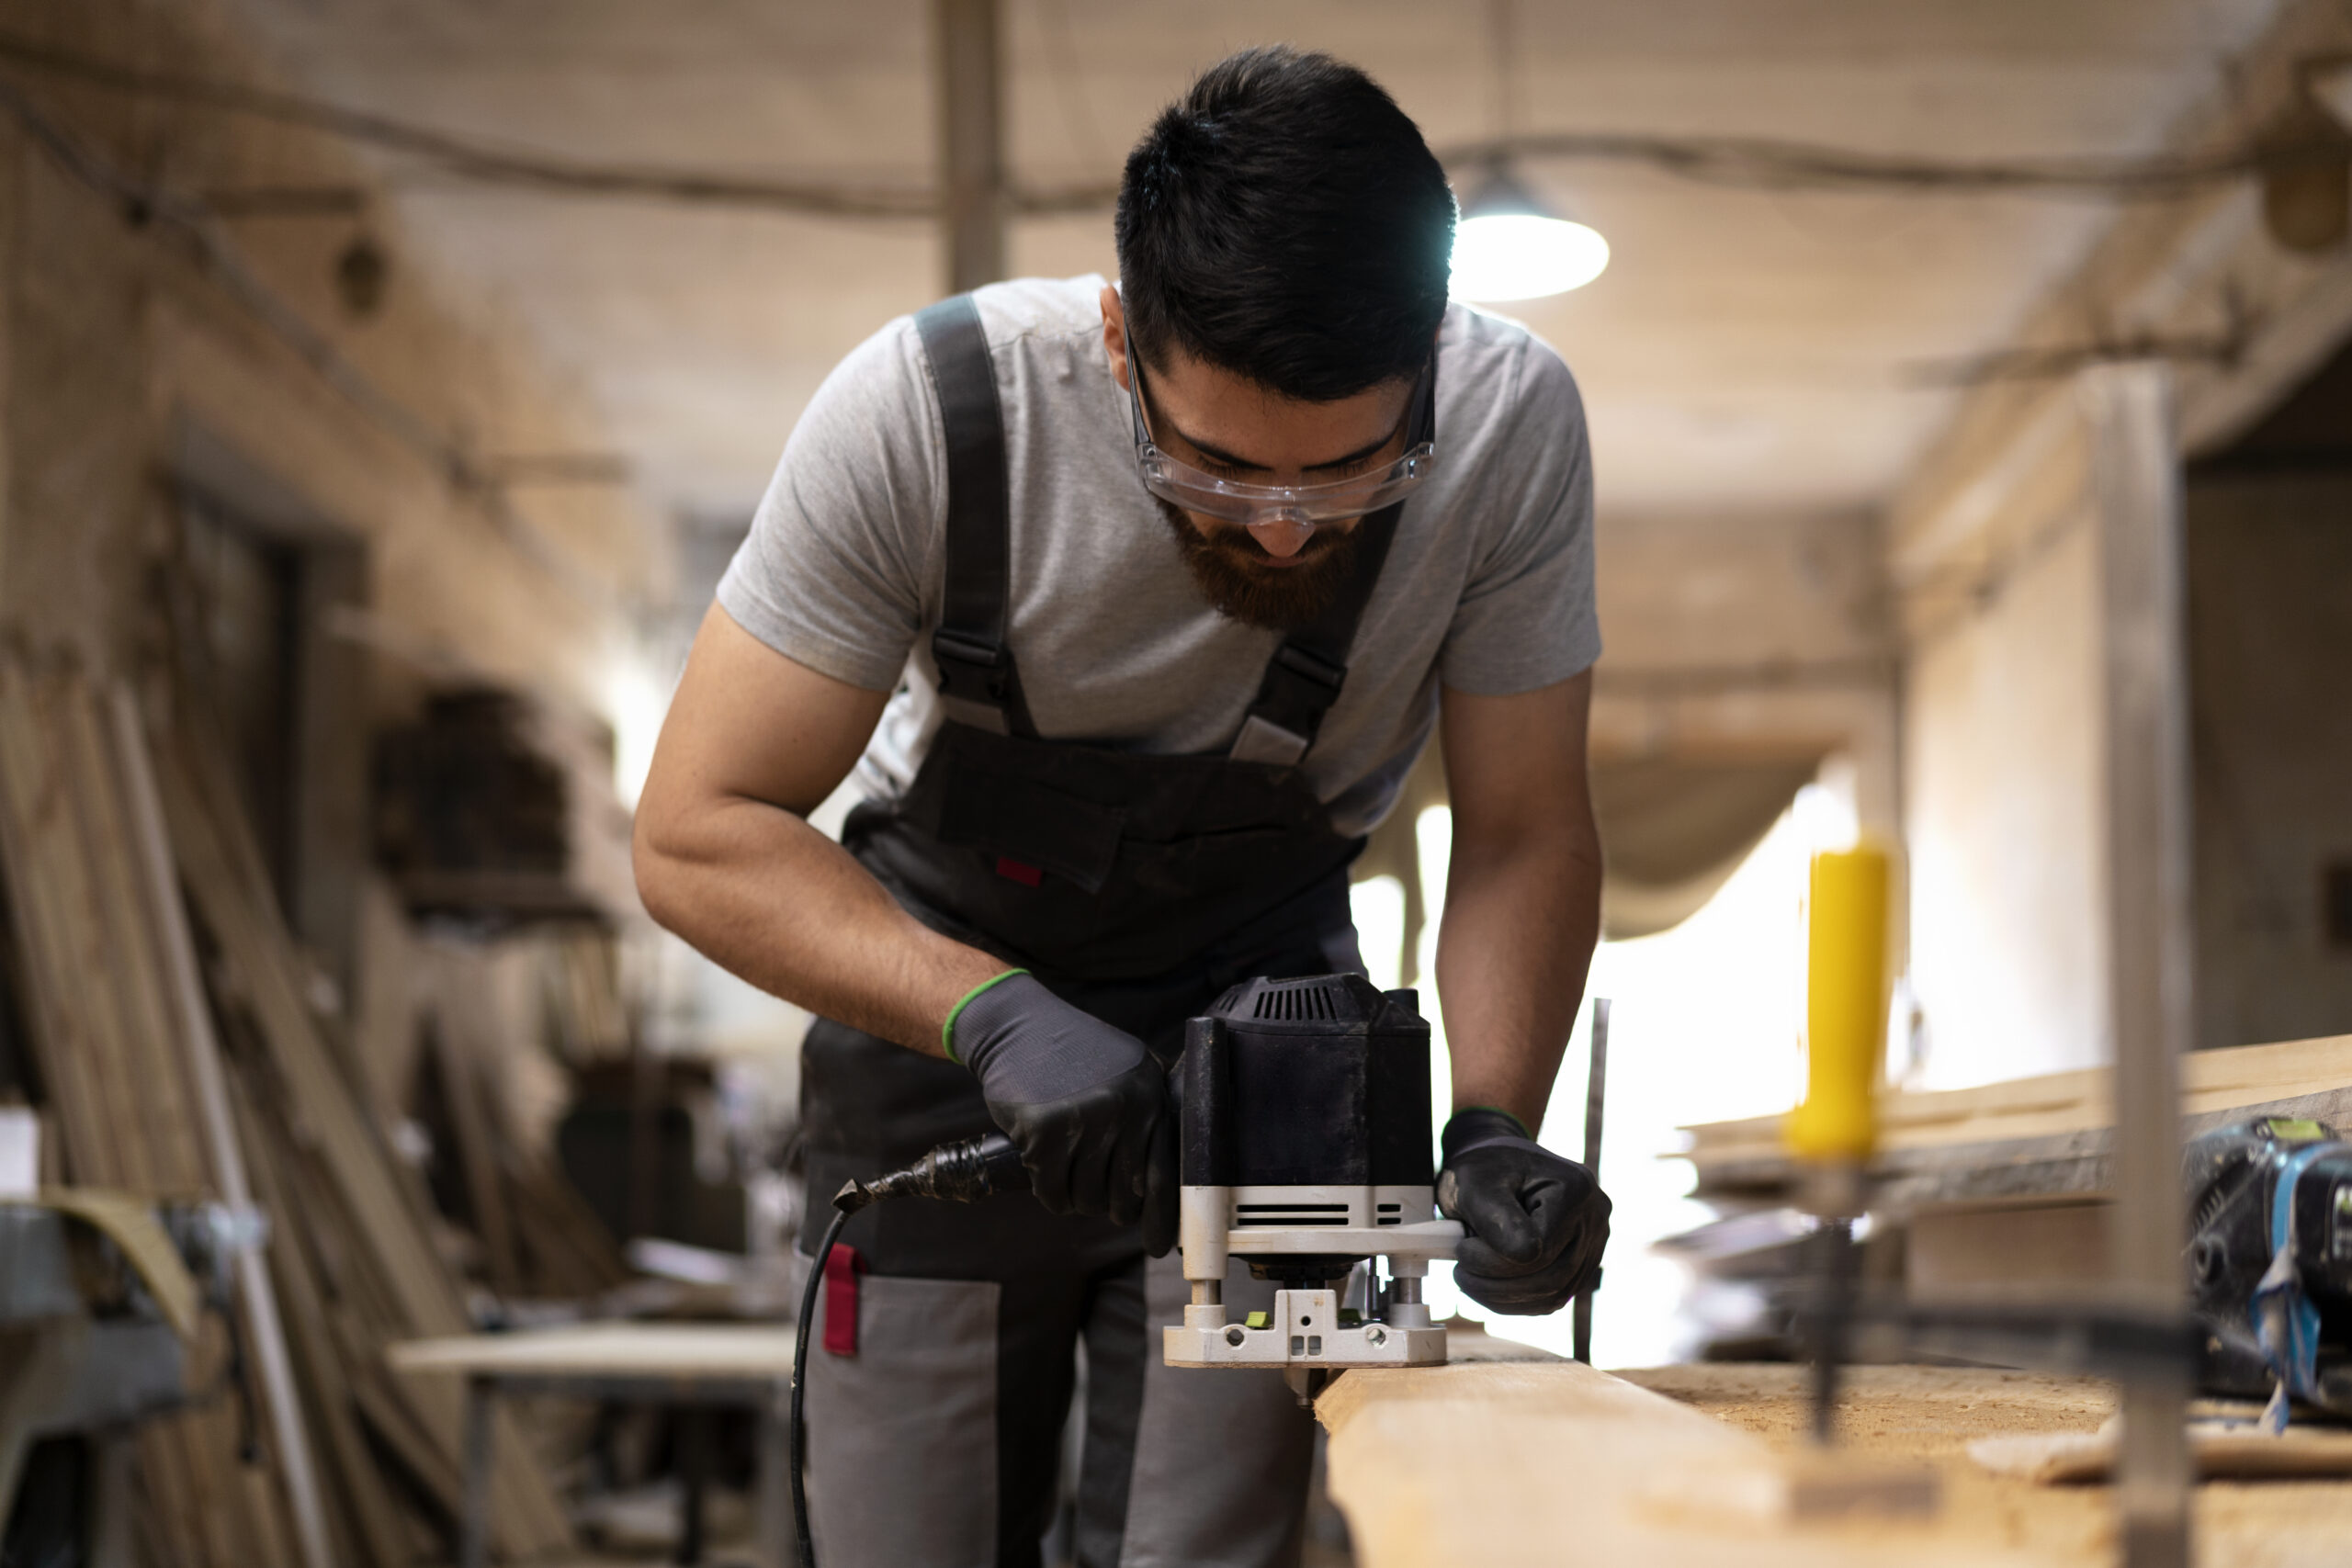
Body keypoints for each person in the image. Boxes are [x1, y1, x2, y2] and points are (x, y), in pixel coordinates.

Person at [635, 44, 1611, 1568]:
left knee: (1204, 1545)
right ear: (1116, 343)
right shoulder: (929, 414)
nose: (1281, 531)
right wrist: (997, 1019)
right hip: (938, 1042)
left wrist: (1490, 1125)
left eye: (1348, 474)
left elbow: (1525, 828)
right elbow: (696, 830)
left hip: (1273, 1059)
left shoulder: (1509, 424)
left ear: (1430, 358)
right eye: (1217, 469)